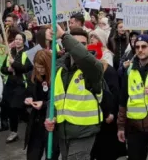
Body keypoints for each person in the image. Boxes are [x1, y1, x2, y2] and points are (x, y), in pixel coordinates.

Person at [44, 26, 104, 159]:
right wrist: (50, 116)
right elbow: (52, 98)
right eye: (75, 43)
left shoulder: (94, 68)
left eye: (82, 44)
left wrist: (64, 36)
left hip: (84, 131)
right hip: (63, 131)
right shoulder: (59, 68)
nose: (78, 48)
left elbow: (84, 57)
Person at [24, 50, 58, 160]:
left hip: (51, 121)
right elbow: (28, 92)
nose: (40, 70)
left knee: (51, 154)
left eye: (43, 67)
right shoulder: (32, 75)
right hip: (36, 121)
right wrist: (28, 99)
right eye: (38, 67)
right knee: (33, 155)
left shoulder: (56, 76)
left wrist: (43, 104)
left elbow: (57, 99)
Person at [1, 32, 32, 143]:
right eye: (16, 39)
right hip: (10, 83)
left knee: (16, 107)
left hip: (21, 84)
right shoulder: (11, 52)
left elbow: (27, 68)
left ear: (24, 41)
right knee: (10, 107)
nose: (18, 41)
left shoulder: (28, 52)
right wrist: (7, 70)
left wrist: (14, 64)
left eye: (20, 39)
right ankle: (14, 131)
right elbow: (2, 69)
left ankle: (31, 122)